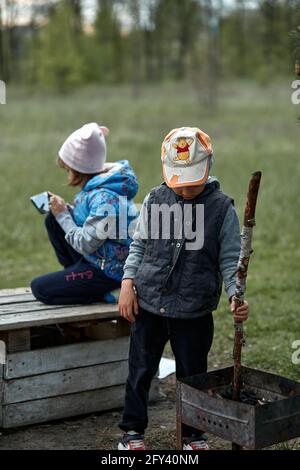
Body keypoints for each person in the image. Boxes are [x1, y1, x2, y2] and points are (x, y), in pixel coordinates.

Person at [117, 126, 249, 450]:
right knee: (140, 370)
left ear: (207, 168)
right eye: (180, 181)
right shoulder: (155, 198)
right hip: (149, 302)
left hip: (194, 310)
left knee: (192, 376)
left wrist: (235, 295)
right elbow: (139, 245)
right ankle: (132, 432)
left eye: (193, 181)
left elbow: (231, 260)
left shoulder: (222, 209)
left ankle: (193, 435)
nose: (185, 189)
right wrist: (127, 283)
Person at [31, 122, 138, 305]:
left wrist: (64, 215)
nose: (67, 175)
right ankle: (78, 278)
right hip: (99, 256)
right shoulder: (101, 186)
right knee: (53, 221)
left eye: (68, 170)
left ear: (78, 169)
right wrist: (64, 210)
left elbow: (85, 243)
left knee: (40, 289)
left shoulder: (105, 198)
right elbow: (90, 224)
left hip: (109, 271)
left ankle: (100, 290)